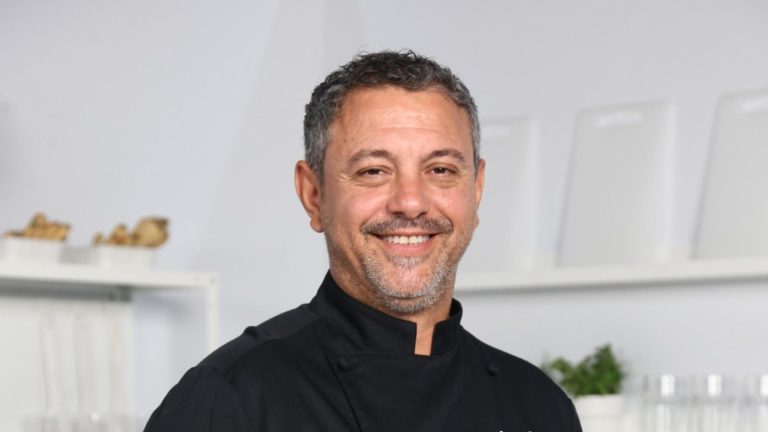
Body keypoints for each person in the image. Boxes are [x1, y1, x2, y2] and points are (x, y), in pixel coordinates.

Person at [145, 50, 581, 432]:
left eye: (441, 170)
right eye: (374, 171)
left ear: (477, 188)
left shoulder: (539, 406)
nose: (411, 203)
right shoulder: (227, 400)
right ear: (313, 195)